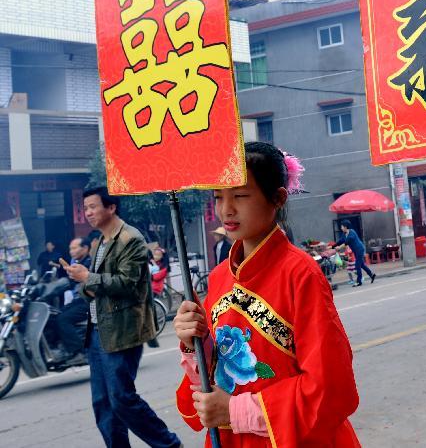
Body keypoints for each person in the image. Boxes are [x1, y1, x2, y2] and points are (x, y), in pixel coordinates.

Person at [174, 142, 360, 446]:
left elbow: (330, 387)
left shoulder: (301, 274)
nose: (226, 209)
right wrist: (194, 343)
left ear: (278, 198)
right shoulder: (220, 276)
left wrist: (235, 411)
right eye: (219, 197)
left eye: (241, 196)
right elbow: (215, 374)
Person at [63, 187, 181, 448]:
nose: (88, 213)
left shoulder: (131, 239)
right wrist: (81, 278)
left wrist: (88, 278)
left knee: (122, 399)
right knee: (103, 405)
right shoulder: (100, 243)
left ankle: (170, 445)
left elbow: (128, 283)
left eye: (93, 207)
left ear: (111, 207)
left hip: (122, 330)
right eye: (86, 208)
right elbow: (92, 288)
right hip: (97, 330)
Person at [54, 236, 93, 364]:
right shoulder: (78, 263)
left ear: (85, 248)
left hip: (90, 300)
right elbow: (69, 282)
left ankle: (79, 352)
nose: (71, 251)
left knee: (63, 319)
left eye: (74, 248)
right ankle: (63, 347)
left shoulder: (89, 263)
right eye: (70, 248)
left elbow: (72, 281)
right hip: (80, 299)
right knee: (57, 314)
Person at [335, 219, 375, 286]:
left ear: (345, 227)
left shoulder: (352, 233)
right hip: (355, 250)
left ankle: (359, 281)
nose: (341, 228)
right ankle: (372, 275)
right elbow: (340, 241)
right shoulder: (344, 234)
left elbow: (346, 242)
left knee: (357, 265)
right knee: (361, 264)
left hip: (359, 249)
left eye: (341, 226)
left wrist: (339, 247)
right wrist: (332, 246)